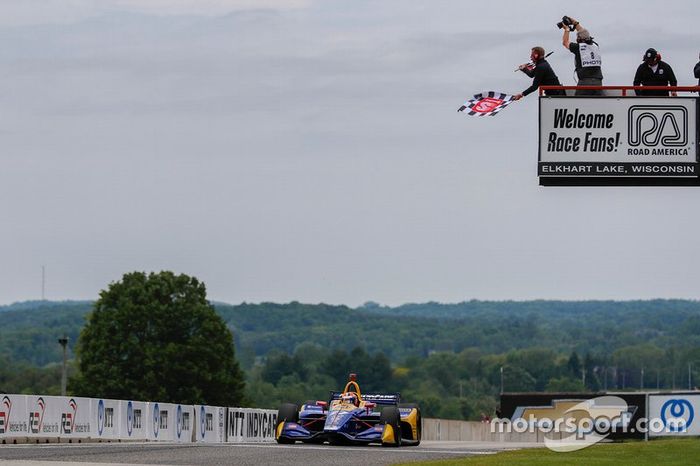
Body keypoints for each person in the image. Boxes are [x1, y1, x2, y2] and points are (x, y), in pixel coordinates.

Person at [561, 17, 603, 95]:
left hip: (585, 81)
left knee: (578, 103)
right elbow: (584, 33)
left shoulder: (578, 47)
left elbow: (565, 42)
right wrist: (576, 23)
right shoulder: (595, 45)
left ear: (579, 39)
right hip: (598, 81)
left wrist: (567, 30)